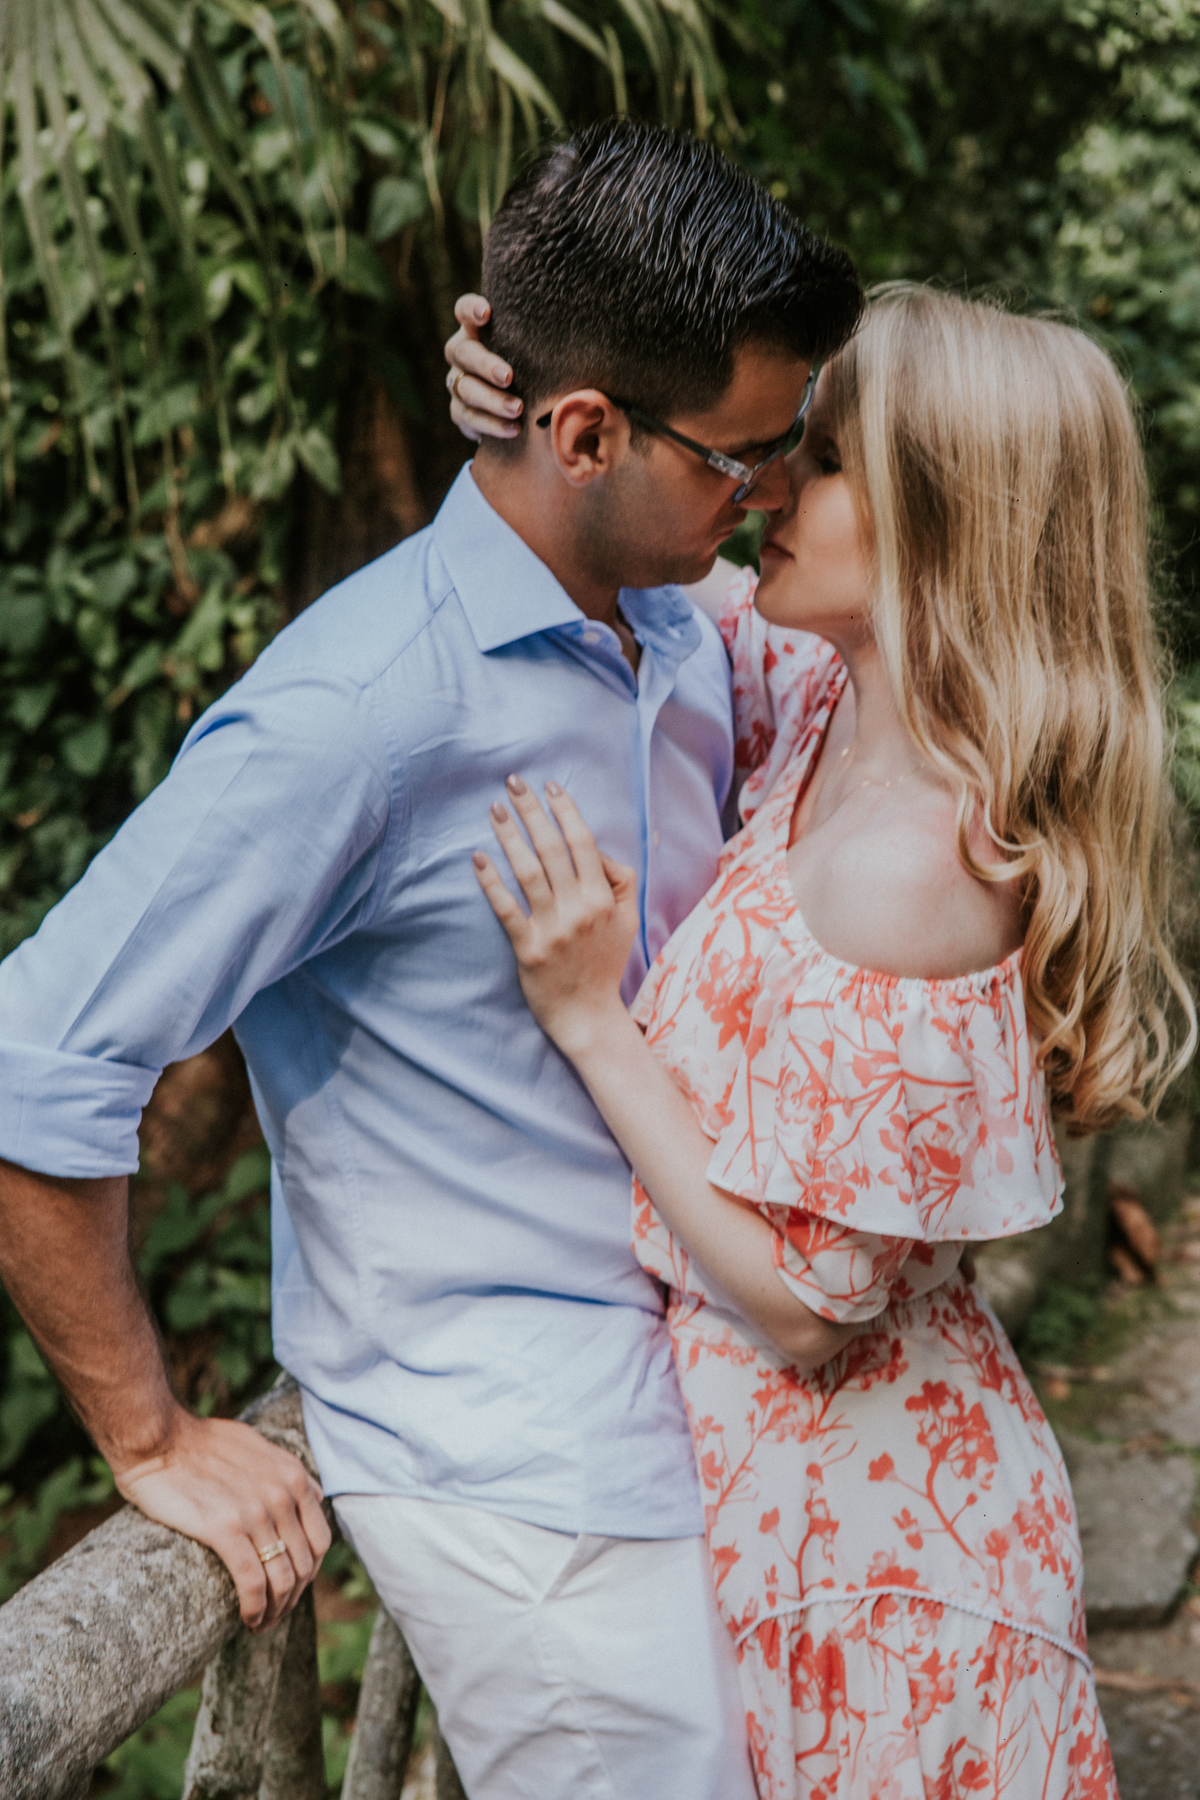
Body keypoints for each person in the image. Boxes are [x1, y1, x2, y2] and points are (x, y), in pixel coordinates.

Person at [0, 121, 862, 1796]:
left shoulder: (678, 630)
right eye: (737, 460)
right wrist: (151, 1432)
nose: (767, 498)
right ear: (589, 428)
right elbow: (38, 1055)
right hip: (522, 1484)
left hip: (705, 1410)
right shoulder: (357, 715)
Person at [467, 284, 1196, 1797]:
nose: (766, 488)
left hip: (878, 1573)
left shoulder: (922, 864)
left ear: (954, 521)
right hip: (781, 1511)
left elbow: (809, 1308)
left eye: (824, 460)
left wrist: (593, 1023)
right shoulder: (832, 699)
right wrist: (532, 403)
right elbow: (639, 532)